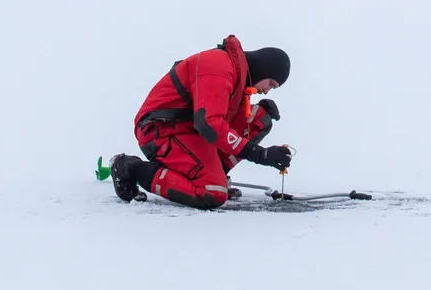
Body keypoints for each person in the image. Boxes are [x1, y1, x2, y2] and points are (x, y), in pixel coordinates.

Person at [109, 36, 294, 209]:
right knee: (213, 193)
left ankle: (213, 174)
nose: (267, 90)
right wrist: (260, 154)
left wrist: (261, 109)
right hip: (162, 129)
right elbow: (209, 123)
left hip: (190, 130)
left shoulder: (239, 78)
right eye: (271, 83)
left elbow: (218, 116)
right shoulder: (219, 67)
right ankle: (132, 168)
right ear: (264, 69)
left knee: (260, 119)